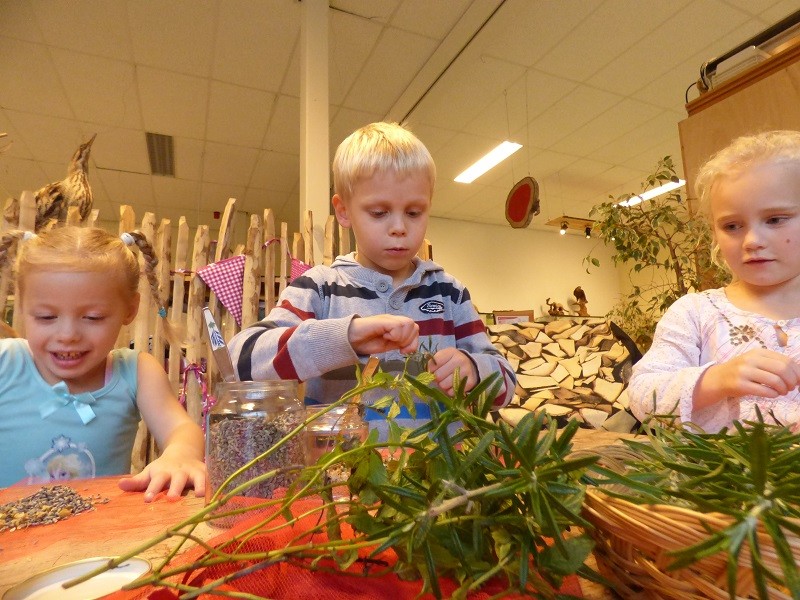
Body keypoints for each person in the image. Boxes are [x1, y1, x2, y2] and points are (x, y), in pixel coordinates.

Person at [229, 122, 515, 434]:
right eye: (379, 213)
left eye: (415, 212)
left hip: (442, 477)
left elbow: (506, 384)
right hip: (342, 478)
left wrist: (474, 369)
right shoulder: (319, 289)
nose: (399, 227)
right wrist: (342, 338)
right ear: (343, 212)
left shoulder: (450, 293)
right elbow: (239, 365)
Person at [0, 226, 206, 500]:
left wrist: (180, 456)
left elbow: (180, 428)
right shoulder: (5, 361)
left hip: (99, 536)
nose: (68, 336)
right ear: (23, 307)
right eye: (46, 317)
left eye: (93, 317)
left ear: (129, 310)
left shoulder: (136, 372)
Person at [628, 130, 800, 432]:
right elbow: (642, 397)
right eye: (732, 225)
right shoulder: (696, 312)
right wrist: (716, 380)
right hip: (714, 477)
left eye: (775, 219)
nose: (752, 240)